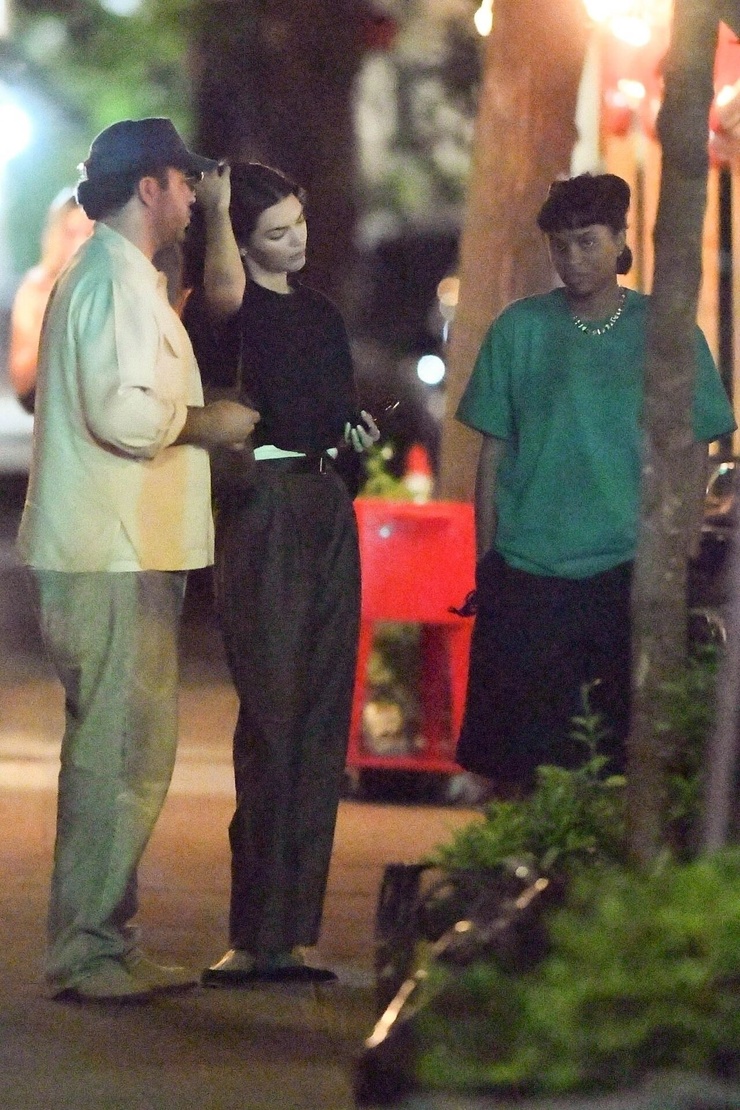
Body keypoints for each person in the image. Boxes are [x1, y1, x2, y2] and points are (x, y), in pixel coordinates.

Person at [17, 118, 260, 1003]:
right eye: (186, 181)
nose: (195, 195)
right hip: (111, 551)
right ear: (150, 186)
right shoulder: (110, 282)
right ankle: (88, 951)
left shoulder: (117, 277)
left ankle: (106, 943)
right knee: (119, 761)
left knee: (119, 757)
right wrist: (209, 423)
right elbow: (122, 416)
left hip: (116, 547)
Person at [455, 172, 736, 794]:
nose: (573, 258)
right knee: (521, 762)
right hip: (528, 569)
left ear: (619, 240)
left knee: (616, 758)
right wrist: (487, 561)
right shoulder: (519, 329)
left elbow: (696, 444)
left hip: (625, 567)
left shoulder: (664, 331)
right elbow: (493, 455)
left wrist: (683, 542)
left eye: (587, 241)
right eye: (561, 245)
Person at [183, 162, 379, 985]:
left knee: (321, 721)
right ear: (239, 242)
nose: (296, 241)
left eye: (299, 223)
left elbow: (333, 412)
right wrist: (218, 213)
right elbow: (221, 306)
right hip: (262, 510)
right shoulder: (225, 314)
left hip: (325, 504)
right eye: (276, 232)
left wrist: (354, 438)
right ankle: (251, 933)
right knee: (271, 716)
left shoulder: (322, 315)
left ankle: (293, 933)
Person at [8, 190, 94, 412]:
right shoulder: (37, 287)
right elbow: (22, 382)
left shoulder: (111, 284)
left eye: (89, 233)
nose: (80, 243)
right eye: (71, 233)